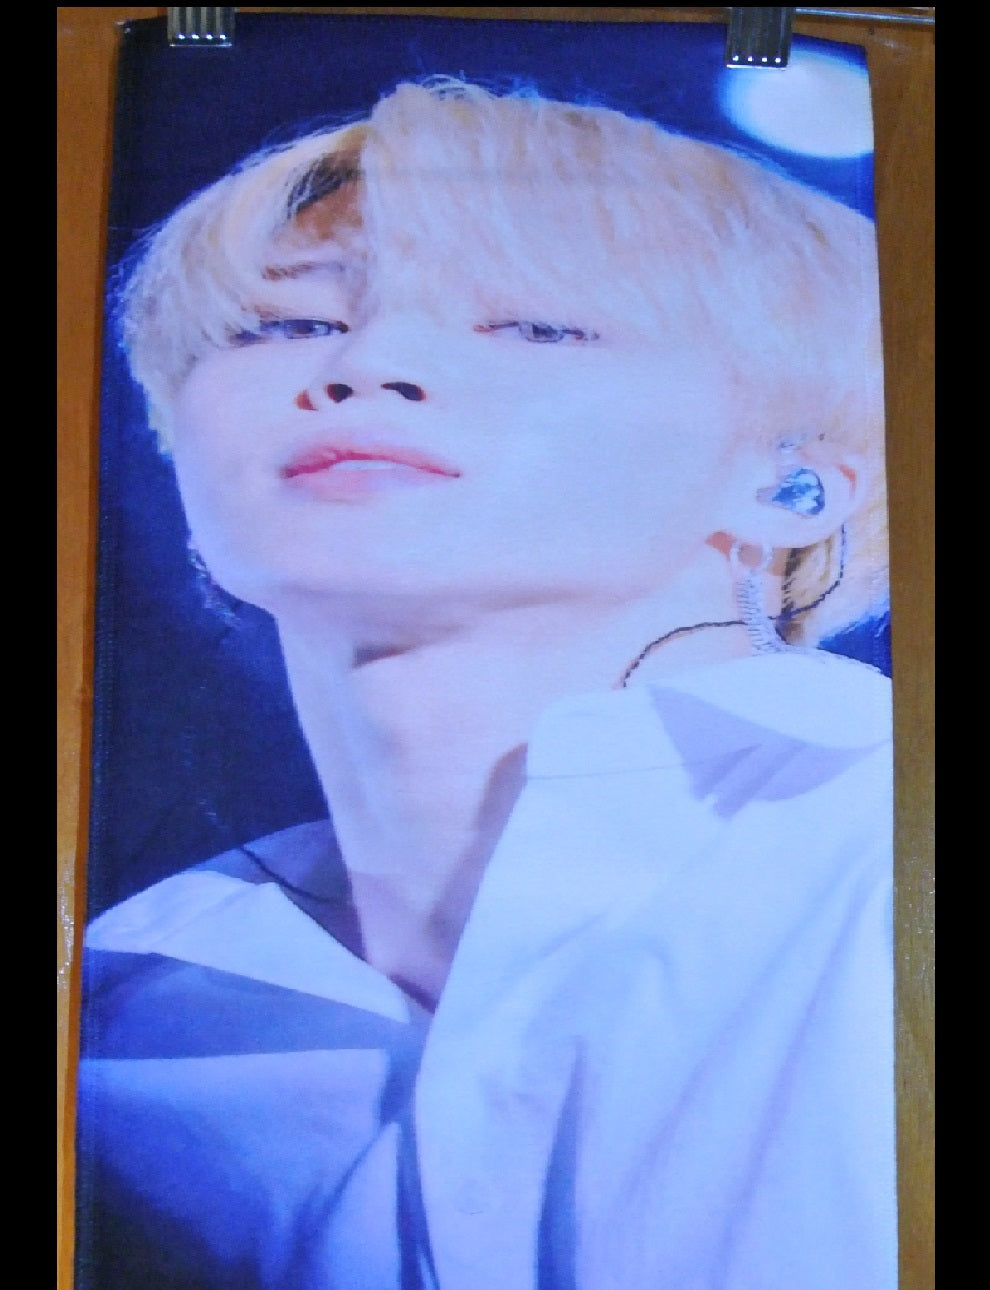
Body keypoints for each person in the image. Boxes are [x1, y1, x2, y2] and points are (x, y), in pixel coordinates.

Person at [77, 77, 895, 1290]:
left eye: (533, 326)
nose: (368, 361)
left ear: (791, 487)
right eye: (283, 325)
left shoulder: (880, 855)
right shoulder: (123, 1022)